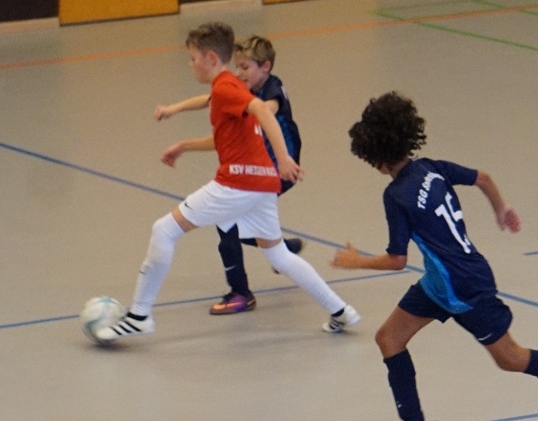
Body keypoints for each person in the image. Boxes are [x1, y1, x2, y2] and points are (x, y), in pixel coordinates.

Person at [332, 92, 538, 421]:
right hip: (441, 283)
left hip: (464, 288)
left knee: (510, 358)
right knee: (389, 338)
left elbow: (397, 259)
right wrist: (501, 209)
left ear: (375, 156)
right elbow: (482, 178)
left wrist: (356, 261)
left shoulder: (397, 195)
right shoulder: (430, 167)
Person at [96, 22, 359, 342]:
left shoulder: (227, 88)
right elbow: (226, 137)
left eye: (193, 58)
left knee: (164, 230)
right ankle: (341, 311)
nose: (190, 64)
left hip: (238, 182)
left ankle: (139, 316)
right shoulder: (230, 87)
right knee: (278, 255)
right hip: (263, 183)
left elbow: (263, 110)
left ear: (210, 58)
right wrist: (183, 144)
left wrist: (284, 158)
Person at [154, 35, 305, 315]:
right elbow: (210, 99)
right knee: (240, 227)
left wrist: (185, 145)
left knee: (229, 225)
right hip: (255, 171)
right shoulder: (241, 89)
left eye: (245, 67)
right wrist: (174, 109)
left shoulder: (272, 93)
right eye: (237, 66)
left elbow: (261, 114)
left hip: (278, 170)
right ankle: (280, 251)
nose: (239, 73)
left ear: (266, 67)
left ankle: (241, 292)